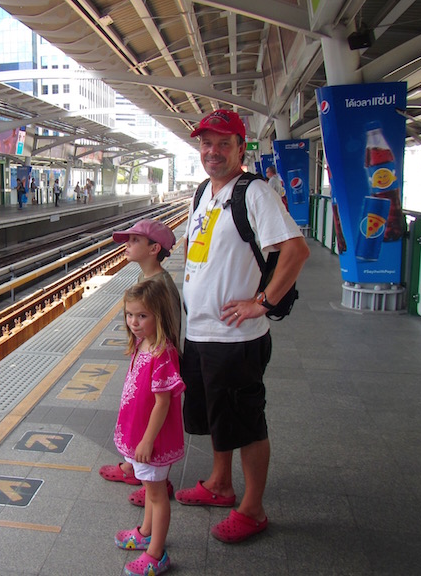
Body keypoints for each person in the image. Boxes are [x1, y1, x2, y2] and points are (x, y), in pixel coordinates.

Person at [177, 109, 309, 544]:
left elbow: (295, 250)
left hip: (235, 338)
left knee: (246, 422)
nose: (212, 152)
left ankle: (252, 509)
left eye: (223, 144)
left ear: (241, 148)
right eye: (206, 144)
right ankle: (219, 483)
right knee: (219, 417)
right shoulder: (203, 192)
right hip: (201, 334)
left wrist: (263, 303)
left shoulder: (254, 193)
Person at [100, 219, 181, 508]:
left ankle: (157, 482)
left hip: (157, 370)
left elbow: (167, 335)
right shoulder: (149, 280)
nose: (127, 245)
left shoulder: (160, 286)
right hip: (145, 364)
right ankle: (136, 468)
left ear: (154, 248)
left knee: (151, 416)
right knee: (138, 417)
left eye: (134, 240)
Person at [112, 279, 185, 576]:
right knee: (149, 489)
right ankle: (145, 532)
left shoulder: (162, 354)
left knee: (156, 494)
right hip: (141, 435)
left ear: (159, 315)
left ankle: (157, 553)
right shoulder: (143, 343)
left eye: (142, 316)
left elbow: (163, 403)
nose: (134, 322)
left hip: (152, 441)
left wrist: (146, 442)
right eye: (130, 315)